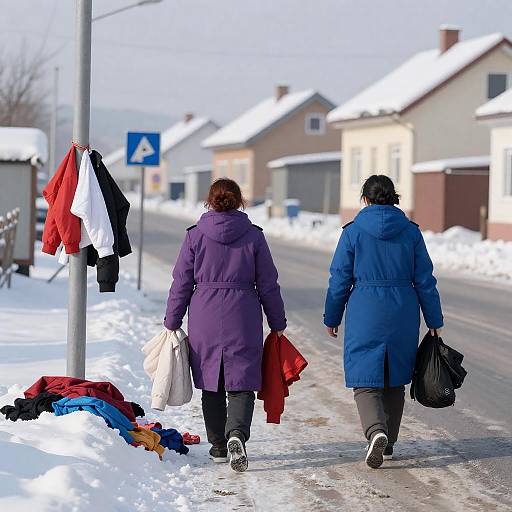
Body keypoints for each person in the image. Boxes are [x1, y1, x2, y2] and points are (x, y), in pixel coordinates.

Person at [164, 178, 286, 472]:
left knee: (211, 381)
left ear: (209, 200)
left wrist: (172, 320)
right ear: (240, 200)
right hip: (243, 312)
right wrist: (277, 321)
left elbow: (181, 282)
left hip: (204, 311)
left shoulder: (195, 236)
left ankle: (219, 445)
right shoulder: (254, 236)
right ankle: (237, 435)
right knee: (242, 380)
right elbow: (268, 283)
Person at [324, 175, 443, 469]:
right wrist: (434, 319)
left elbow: (339, 278)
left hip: (366, 308)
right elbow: (425, 280)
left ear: (365, 199)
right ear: (394, 198)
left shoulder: (352, 232)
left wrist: (332, 316)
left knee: (365, 380)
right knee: (395, 378)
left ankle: (375, 430)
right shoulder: (411, 232)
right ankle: (387, 441)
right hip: (403, 308)